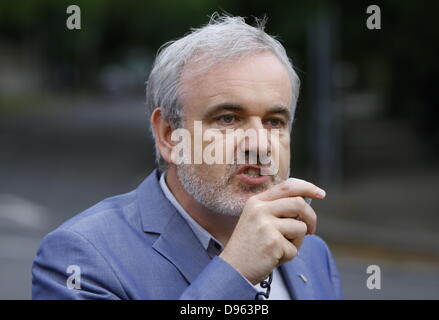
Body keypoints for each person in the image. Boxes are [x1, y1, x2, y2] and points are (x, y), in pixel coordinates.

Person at [32, 14, 343, 300]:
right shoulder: (81, 256)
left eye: (275, 122)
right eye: (228, 119)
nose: (260, 146)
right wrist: (234, 273)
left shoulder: (312, 253)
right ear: (169, 135)